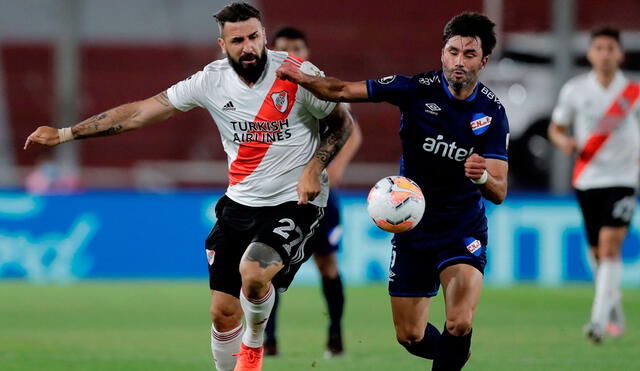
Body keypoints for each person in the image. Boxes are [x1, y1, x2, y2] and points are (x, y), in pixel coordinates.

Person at [23, 3, 354, 371]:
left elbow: (342, 123)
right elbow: (139, 113)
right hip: (240, 203)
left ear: (264, 34)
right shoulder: (209, 81)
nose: (248, 47)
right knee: (222, 313)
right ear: (222, 44)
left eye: (254, 37)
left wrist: (315, 166)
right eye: (238, 40)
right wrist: (67, 133)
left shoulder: (296, 74)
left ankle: (254, 348)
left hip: (295, 200)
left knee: (255, 272)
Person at [277, 12, 508, 370]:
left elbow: (499, 190)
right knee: (410, 336)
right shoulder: (414, 89)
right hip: (412, 228)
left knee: (459, 321)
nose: (459, 61)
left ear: (484, 60)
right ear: (443, 52)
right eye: (453, 51)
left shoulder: (492, 113)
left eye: (469, 54)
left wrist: (481, 179)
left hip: (462, 228)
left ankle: (455, 346)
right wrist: (299, 77)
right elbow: (341, 90)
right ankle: (455, 352)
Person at [263, 26, 363, 358]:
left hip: (321, 195)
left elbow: (351, 130)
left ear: (306, 53)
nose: (291, 54)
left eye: (297, 48)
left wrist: (333, 168)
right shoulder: (268, 92)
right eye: (283, 49)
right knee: (269, 266)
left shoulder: (319, 88)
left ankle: (335, 335)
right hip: (280, 194)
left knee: (326, 264)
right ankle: (269, 339)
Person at [548, 27, 639, 344]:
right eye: (598, 47)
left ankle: (598, 322)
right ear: (590, 53)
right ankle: (613, 308)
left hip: (624, 179)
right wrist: (565, 142)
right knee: (598, 252)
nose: (604, 53)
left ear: (619, 54)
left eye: (610, 48)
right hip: (588, 179)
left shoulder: (633, 93)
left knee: (612, 245)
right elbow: (556, 128)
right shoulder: (575, 90)